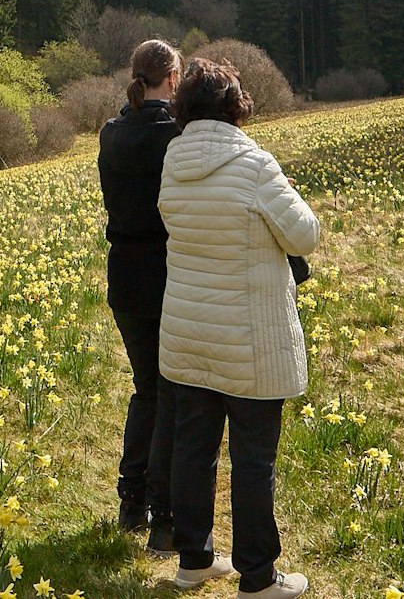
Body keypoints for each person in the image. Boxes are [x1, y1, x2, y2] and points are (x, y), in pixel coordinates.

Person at [158, 58, 318, 598]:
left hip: (188, 329)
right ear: (235, 105)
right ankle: (258, 576)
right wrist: (289, 193)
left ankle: (195, 559)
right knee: (253, 460)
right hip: (248, 339)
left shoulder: (172, 161)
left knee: (193, 450)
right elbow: (304, 236)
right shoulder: (255, 164)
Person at [96, 38, 185, 553]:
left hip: (124, 277)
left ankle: (131, 499)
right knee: (169, 392)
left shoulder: (112, 133)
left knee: (145, 388)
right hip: (167, 274)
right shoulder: (173, 132)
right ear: (172, 80)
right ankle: (161, 508)